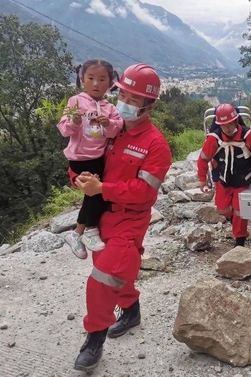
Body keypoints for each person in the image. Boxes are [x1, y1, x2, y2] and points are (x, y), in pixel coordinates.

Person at [71, 63, 172, 372]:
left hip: (130, 221)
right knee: (118, 273)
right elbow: (83, 157)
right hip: (101, 218)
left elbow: (144, 192)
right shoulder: (107, 130)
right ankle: (131, 312)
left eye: (133, 97)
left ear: (149, 105)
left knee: (101, 279)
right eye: (122, 94)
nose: (124, 101)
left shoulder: (156, 145)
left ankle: (94, 338)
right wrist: (79, 177)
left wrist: (103, 188)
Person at [57, 60, 123, 258]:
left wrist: (109, 123)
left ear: (110, 83)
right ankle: (91, 230)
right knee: (95, 194)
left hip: (98, 158)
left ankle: (77, 233)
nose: (96, 84)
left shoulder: (109, 107)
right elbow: (63, 129)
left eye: (102, 79)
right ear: (82, 79)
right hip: (79, 159)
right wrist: (74, 122)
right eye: (91, 78)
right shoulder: (75, 101)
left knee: (96, 194)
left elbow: (116, 130)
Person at [197, 103, 251, 247]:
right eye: (223, 125)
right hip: (223, 181)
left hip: (243, 181)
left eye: (229, 124)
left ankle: (240, 241)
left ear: (235, 120)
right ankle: (233, 220)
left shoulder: (248, 136)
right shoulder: (213, 139)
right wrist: (202, 180)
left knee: (240, 212)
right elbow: (203, 159)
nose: (227, 128)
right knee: (223, 209)